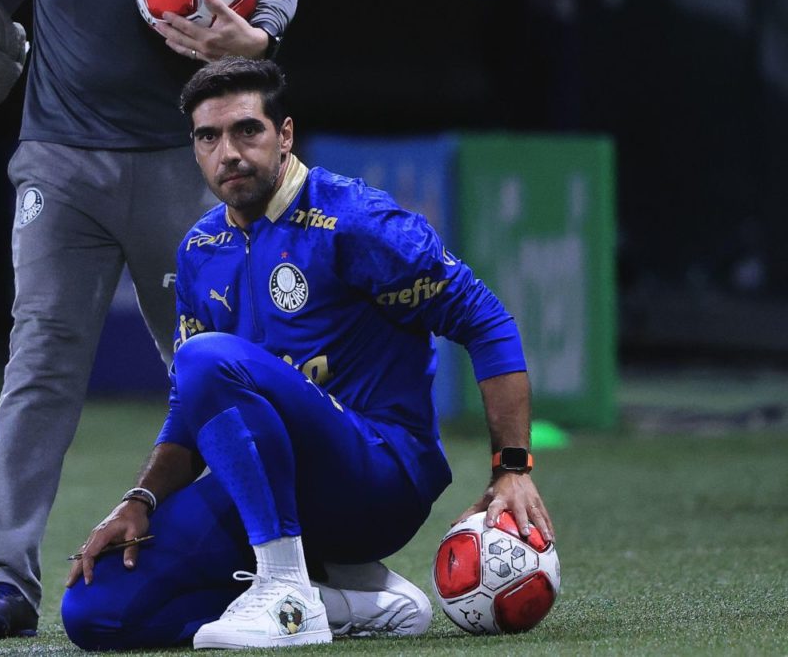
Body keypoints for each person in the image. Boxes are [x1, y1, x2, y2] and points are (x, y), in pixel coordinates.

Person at [59, 57, 556, 651]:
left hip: (379, 479)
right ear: (193, 149)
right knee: (96, 612)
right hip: (275, 489)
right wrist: (140, 499)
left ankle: (286, 587)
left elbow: (487, 320)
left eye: (248, 130)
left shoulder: (356, 221)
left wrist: (513, 468)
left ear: (285, 134)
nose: (229, 153)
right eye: (208, 137)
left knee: (205, 358)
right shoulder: (200, 248)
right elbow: (192, 405)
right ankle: (346, 601)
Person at [0, 0, 301, 640]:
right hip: (59, 159)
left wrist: (262, 31)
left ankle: (279, 567)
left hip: (183, 160)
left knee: (213, 369)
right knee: (40, 361)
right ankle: (4, 581)